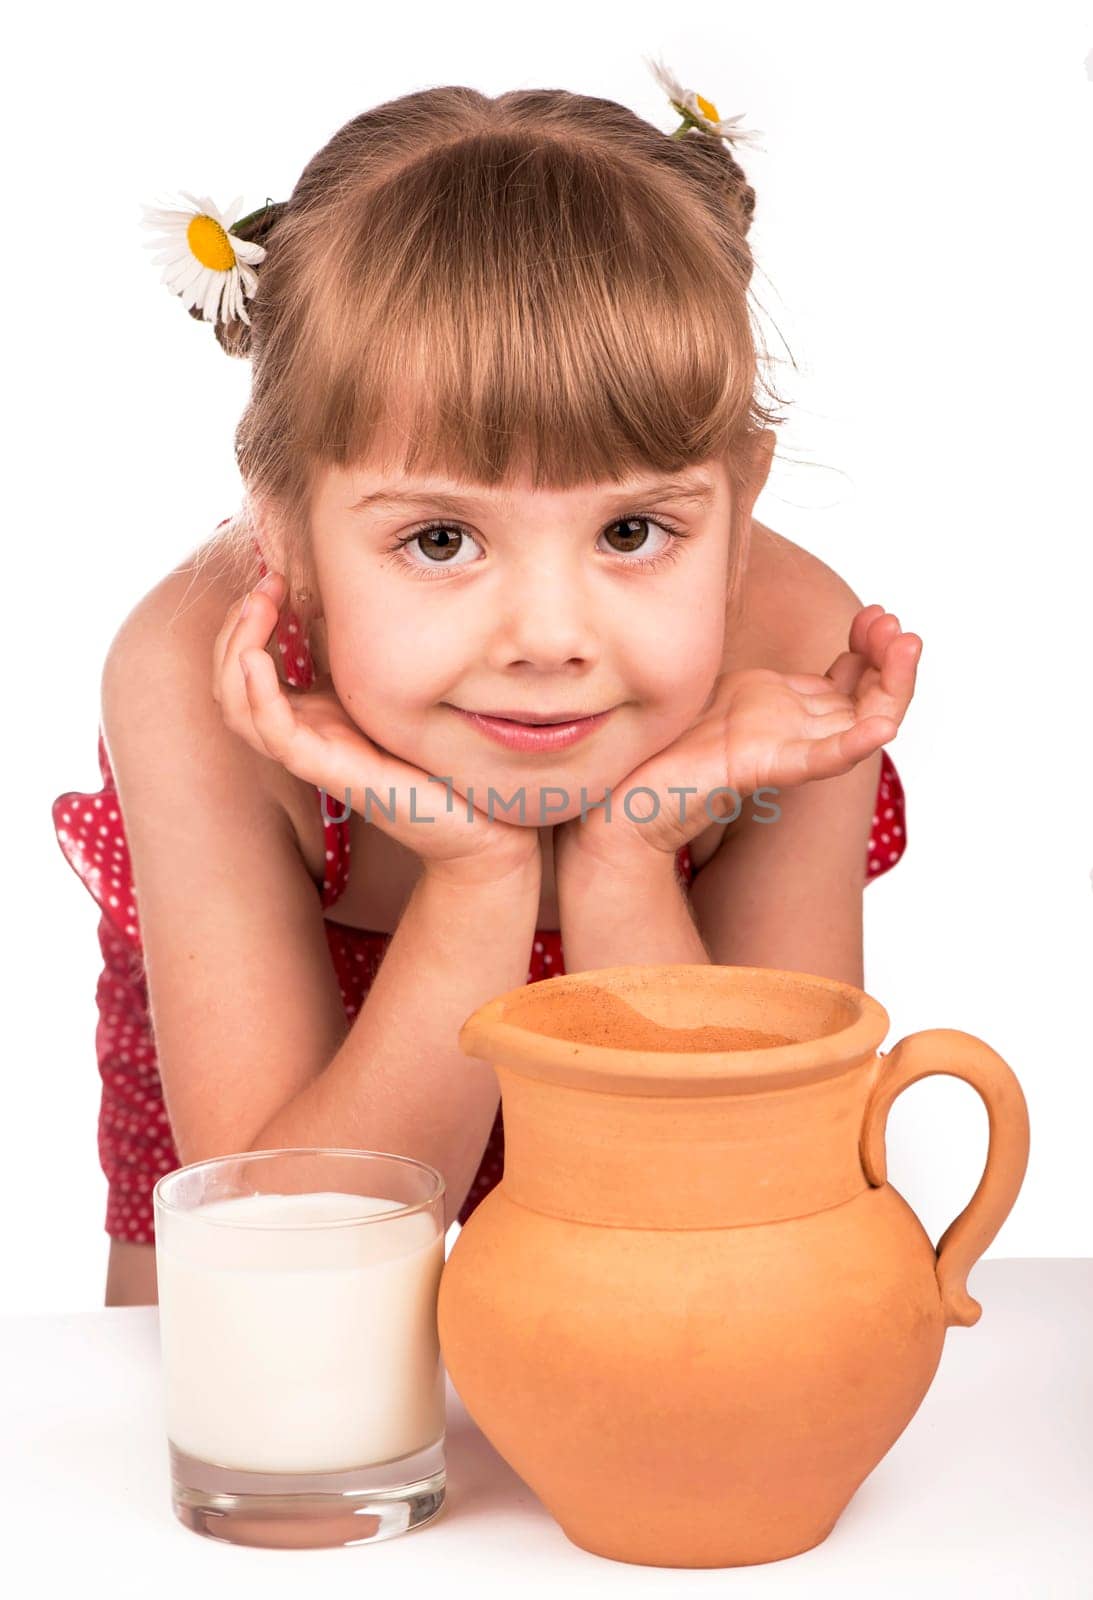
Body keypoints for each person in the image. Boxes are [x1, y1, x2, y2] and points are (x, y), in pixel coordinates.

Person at [52, 63, 920, 1307]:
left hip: (662, 1241)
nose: (550, 637)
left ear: (741, 507)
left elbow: (752, 1206)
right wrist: (478, 877)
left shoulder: (790, 655)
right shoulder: (197, 678)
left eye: (631, 533)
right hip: (285, 1198)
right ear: (288, 541)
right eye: (441, 541)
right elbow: (287, 1274)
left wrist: (624, 854)